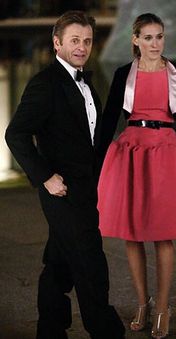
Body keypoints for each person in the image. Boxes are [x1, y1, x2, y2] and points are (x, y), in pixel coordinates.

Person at [97, 13, 176, 339]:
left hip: (168, 154)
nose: (156, 44)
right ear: (135, 40)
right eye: (149, 37)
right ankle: (142, 302)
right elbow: (109, 120)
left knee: (164, 233)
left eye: (160, 37)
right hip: (132, 152)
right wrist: (91, 167)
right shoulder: (124, 75)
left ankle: (163, 306)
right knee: (132, 233)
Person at [5, 10, 125, 339]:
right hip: (61, 191)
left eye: (87, 40)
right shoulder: (44, 84)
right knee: (91, 265)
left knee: (59, 263)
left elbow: (88, 139)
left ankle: (50, 328)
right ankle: (107, 332)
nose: (82, 46)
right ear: (57, 43)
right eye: (74, 40)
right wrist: (45, 177)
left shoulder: (87, 85)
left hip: (86, 189)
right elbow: (15, 134)